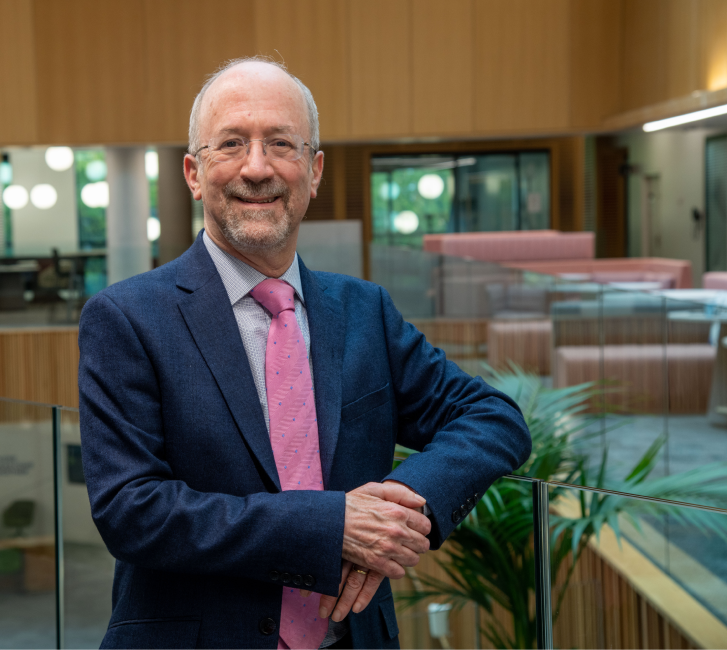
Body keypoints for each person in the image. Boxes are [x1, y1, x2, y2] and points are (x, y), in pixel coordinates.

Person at [79, 56, 531, 650]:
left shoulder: (364, 310)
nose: (257, 167)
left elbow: (494, 418)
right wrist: (334, 527)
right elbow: (131, 510)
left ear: (314, 171)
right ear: (194, 172)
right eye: (232, 144)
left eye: (282, 144)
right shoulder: (125, 318)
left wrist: (396, 515)